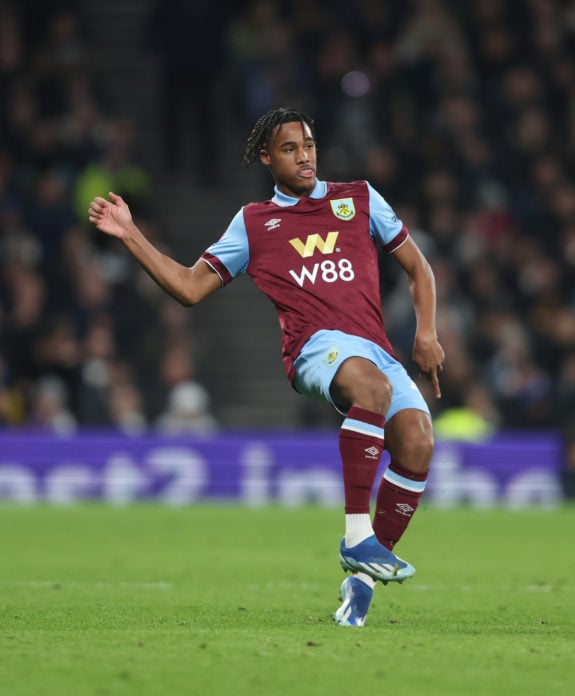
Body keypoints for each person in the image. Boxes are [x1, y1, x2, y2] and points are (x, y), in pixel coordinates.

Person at [88, 107, 445, 628]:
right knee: (369, 389)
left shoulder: (361, 198)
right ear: (265, 157)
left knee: (417, 442)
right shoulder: (254, 223)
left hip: (376, 348)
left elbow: (418, 266)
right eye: (289, 148)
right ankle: (356, 537)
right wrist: (131, 234)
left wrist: (428, 331)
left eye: (309, 145)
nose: (304, 156)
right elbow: (190, 288)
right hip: (314, 346)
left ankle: (361, 582)